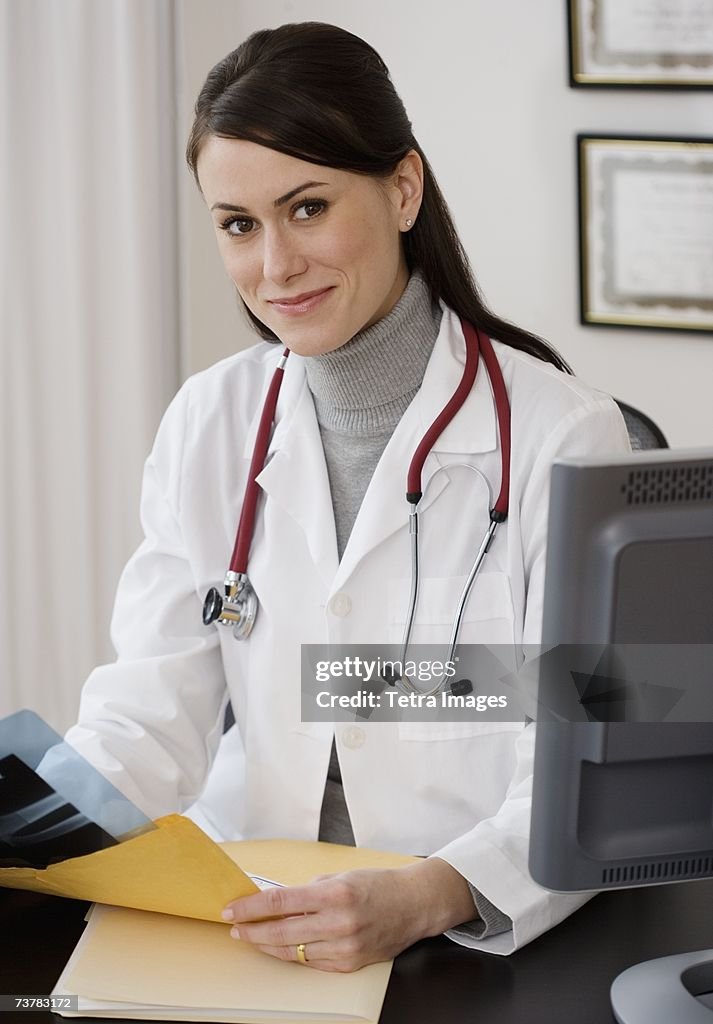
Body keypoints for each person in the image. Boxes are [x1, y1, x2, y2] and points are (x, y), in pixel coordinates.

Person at [65, 22, 630, 971]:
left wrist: (432, 890)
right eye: (238, 224)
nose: (273, 267)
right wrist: (41, 821)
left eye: (308, 207)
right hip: (250, 916)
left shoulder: (562, 435)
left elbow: (589, 752)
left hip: (467, 928)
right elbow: (149, 710)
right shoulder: (212, 419)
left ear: (401, 189)